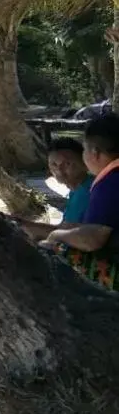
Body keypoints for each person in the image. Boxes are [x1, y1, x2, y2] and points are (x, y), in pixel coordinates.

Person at [40, 116, 119, 288]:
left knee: (50, 250)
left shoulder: (110, 181)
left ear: (95, 152)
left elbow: (93, 240)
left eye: (84, 150)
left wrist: (56, 235)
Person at [13, 139, 91, 243]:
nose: (59, 170)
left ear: (84, 163)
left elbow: (68, 232)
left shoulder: (87, 190)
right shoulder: (75, 190)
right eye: (54, 164)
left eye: (67, 164)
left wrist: (22, 224)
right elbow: (63, 229)